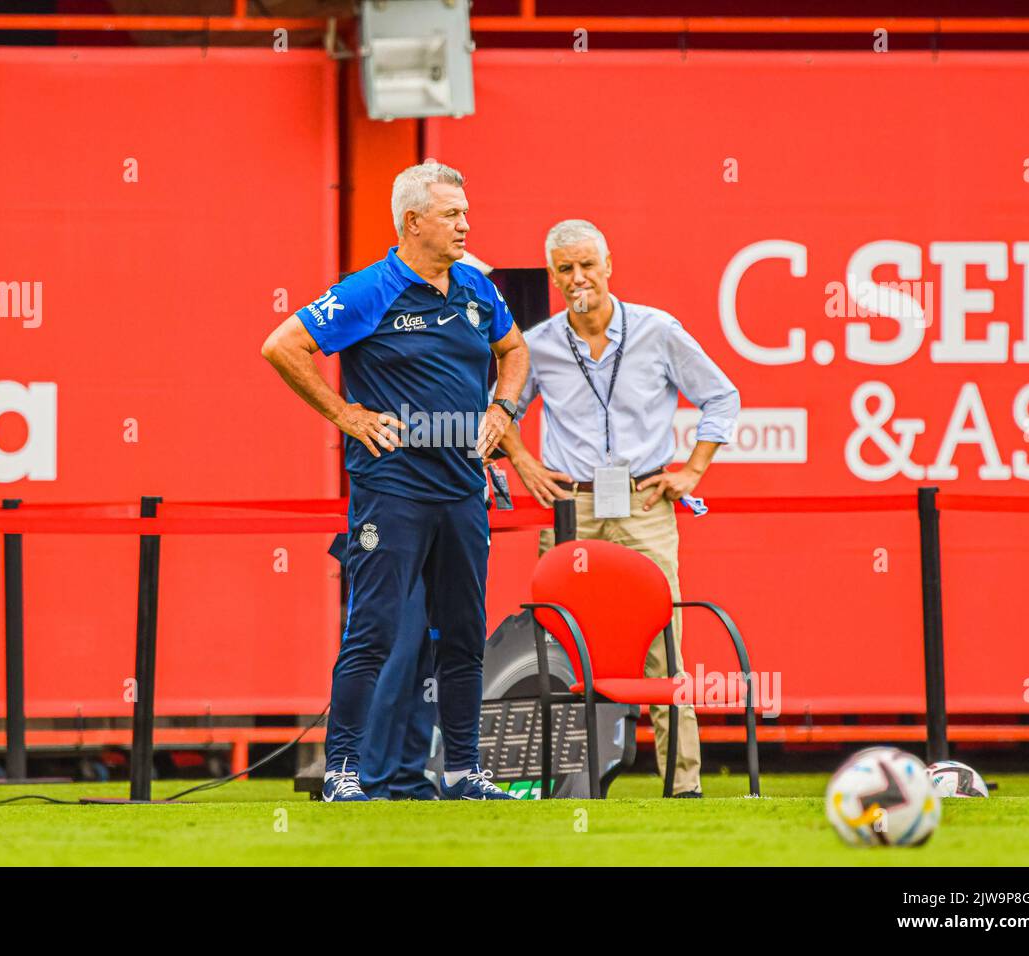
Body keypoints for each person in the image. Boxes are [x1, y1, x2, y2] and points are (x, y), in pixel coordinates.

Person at [261, 159, 530, 801]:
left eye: (465, 212)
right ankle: (343, 773)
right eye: (452, 214)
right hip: (393, 489)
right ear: (412, 223)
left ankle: (464, 774)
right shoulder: (368, 290)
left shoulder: (474, 288)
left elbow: (515, 351)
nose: (466, 224)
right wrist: (345, 413)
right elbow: (281, 345)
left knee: (464, 635)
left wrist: (503, 408)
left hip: (463, 488)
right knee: (373, 633)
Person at [496, 219, 740, 797]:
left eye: (586, 265)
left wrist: (693, 470)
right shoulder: (541, 343)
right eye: (564, 269)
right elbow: (499, 410)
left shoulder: (658, 331)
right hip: (572, 508)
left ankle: (684, 786)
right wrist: (524, 464)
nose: (578, 278)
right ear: (554, 277)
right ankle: (559, 785)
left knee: (665, 644)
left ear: (609, 265)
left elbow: (721, 395)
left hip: (642, 502)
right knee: (555, 646)